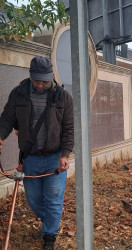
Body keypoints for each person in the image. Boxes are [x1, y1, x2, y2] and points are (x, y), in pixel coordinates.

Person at [0, 56, 74, 249]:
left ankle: (50, 236)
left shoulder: (63, 97)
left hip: (55, 157)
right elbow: (7, 119)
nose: (40, 85)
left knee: (54, 199)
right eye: (37, 80)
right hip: (30, 158)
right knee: (33, 199)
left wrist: (65, 154)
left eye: (45, 80)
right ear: (30, 75)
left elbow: (69, 128)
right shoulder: (19, 94)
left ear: (52, 77)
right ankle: (50, 220)